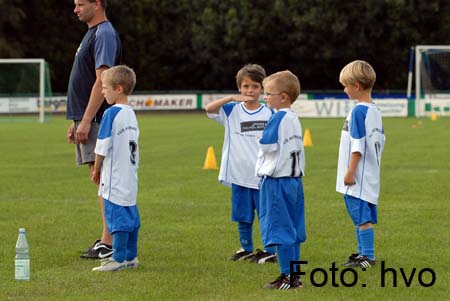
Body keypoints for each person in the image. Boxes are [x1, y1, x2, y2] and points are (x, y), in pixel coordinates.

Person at [66, 0, 122, 259]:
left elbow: (103, 80)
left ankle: (108, 242)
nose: (76, 9)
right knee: (99, 176)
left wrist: (87, 119)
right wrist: (78, 119)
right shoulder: (92, 33)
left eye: (80, 4)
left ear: (97, 3)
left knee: (102, 176)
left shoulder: (104, 33)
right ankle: (108, 239)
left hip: (97, 118)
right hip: (88, 117)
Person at [205, 64, 277, 264]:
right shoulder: (231, 110)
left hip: (263, 175)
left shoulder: (270, 113)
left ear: (262, 89)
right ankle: (246, 248)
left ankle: (269, 251)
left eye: (255, 86)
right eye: (245, 86)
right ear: (239, 88)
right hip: (239, 174)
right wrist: (230, 98)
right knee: (243, 216)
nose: (250, 91)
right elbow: (209, 109)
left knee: (266, 214)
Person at [256, 70, 306, 289]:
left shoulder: (277, 117)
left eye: (268, 94)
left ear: (283, 96)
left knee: (281, 230)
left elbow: (266, 145)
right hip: (295, 182)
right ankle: (296, 275)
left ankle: (288, 277)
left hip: (278, 181)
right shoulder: (294, 118)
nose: (265, 98)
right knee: (293, 231)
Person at [91, 65, 140, 271]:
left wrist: (96, 168)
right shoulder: (131, 113)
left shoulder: (111, 113)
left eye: (105, 88)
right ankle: (131, 257)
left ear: (118, 89)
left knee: (116, 216)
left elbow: (102, 145)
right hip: (130, 174)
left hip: (115, 175)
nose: (103, 92)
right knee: (131, 214)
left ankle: (117, 259)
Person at [336, 60, 385, 268]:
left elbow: (358, 145)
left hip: (358, 175)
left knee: (361, 216)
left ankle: (368, 256)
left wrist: (349, 172)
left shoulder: (358, 111)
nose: (345, 90)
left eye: (345, 86)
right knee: (360, 215)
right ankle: (362, 253)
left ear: (356, 86)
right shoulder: (374, 110)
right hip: (370, 173)